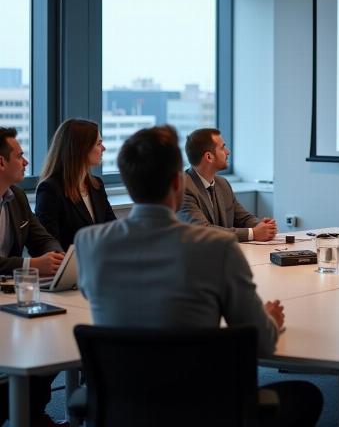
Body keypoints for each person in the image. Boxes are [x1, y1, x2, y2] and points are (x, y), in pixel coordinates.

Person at [75, 125, 322, 427]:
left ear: (127, 183)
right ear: (178, 183)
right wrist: (268, 319)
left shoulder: (88, 243)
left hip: (121, 405)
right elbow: (261, 344)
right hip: (205, 409)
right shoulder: (216, 248)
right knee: (306, 396)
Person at [0, 127, 67, 427]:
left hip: (11, 295)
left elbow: (42, 237)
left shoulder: (16, 198)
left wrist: (55, 257)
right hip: (10, 292)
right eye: (20, 155)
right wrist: (29, 266)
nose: (26, 162)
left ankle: (30, 411)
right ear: (1, 163)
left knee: (52, 336)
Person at [178, 128, 277, 242]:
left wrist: (263, 226)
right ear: (209, 157)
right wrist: (253, 233)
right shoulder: (184, 188)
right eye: (222, 147)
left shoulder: (222, 183)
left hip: (223, 254)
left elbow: (242, 218)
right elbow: (203, 230)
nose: (228, 151)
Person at [35, 118, 116, 250]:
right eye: (99, 143)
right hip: (70, 267)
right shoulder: (50, 189)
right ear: (81, 148)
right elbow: (48, 243)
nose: (103, 148)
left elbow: (112, 229)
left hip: (100, 263)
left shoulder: (96, 185)